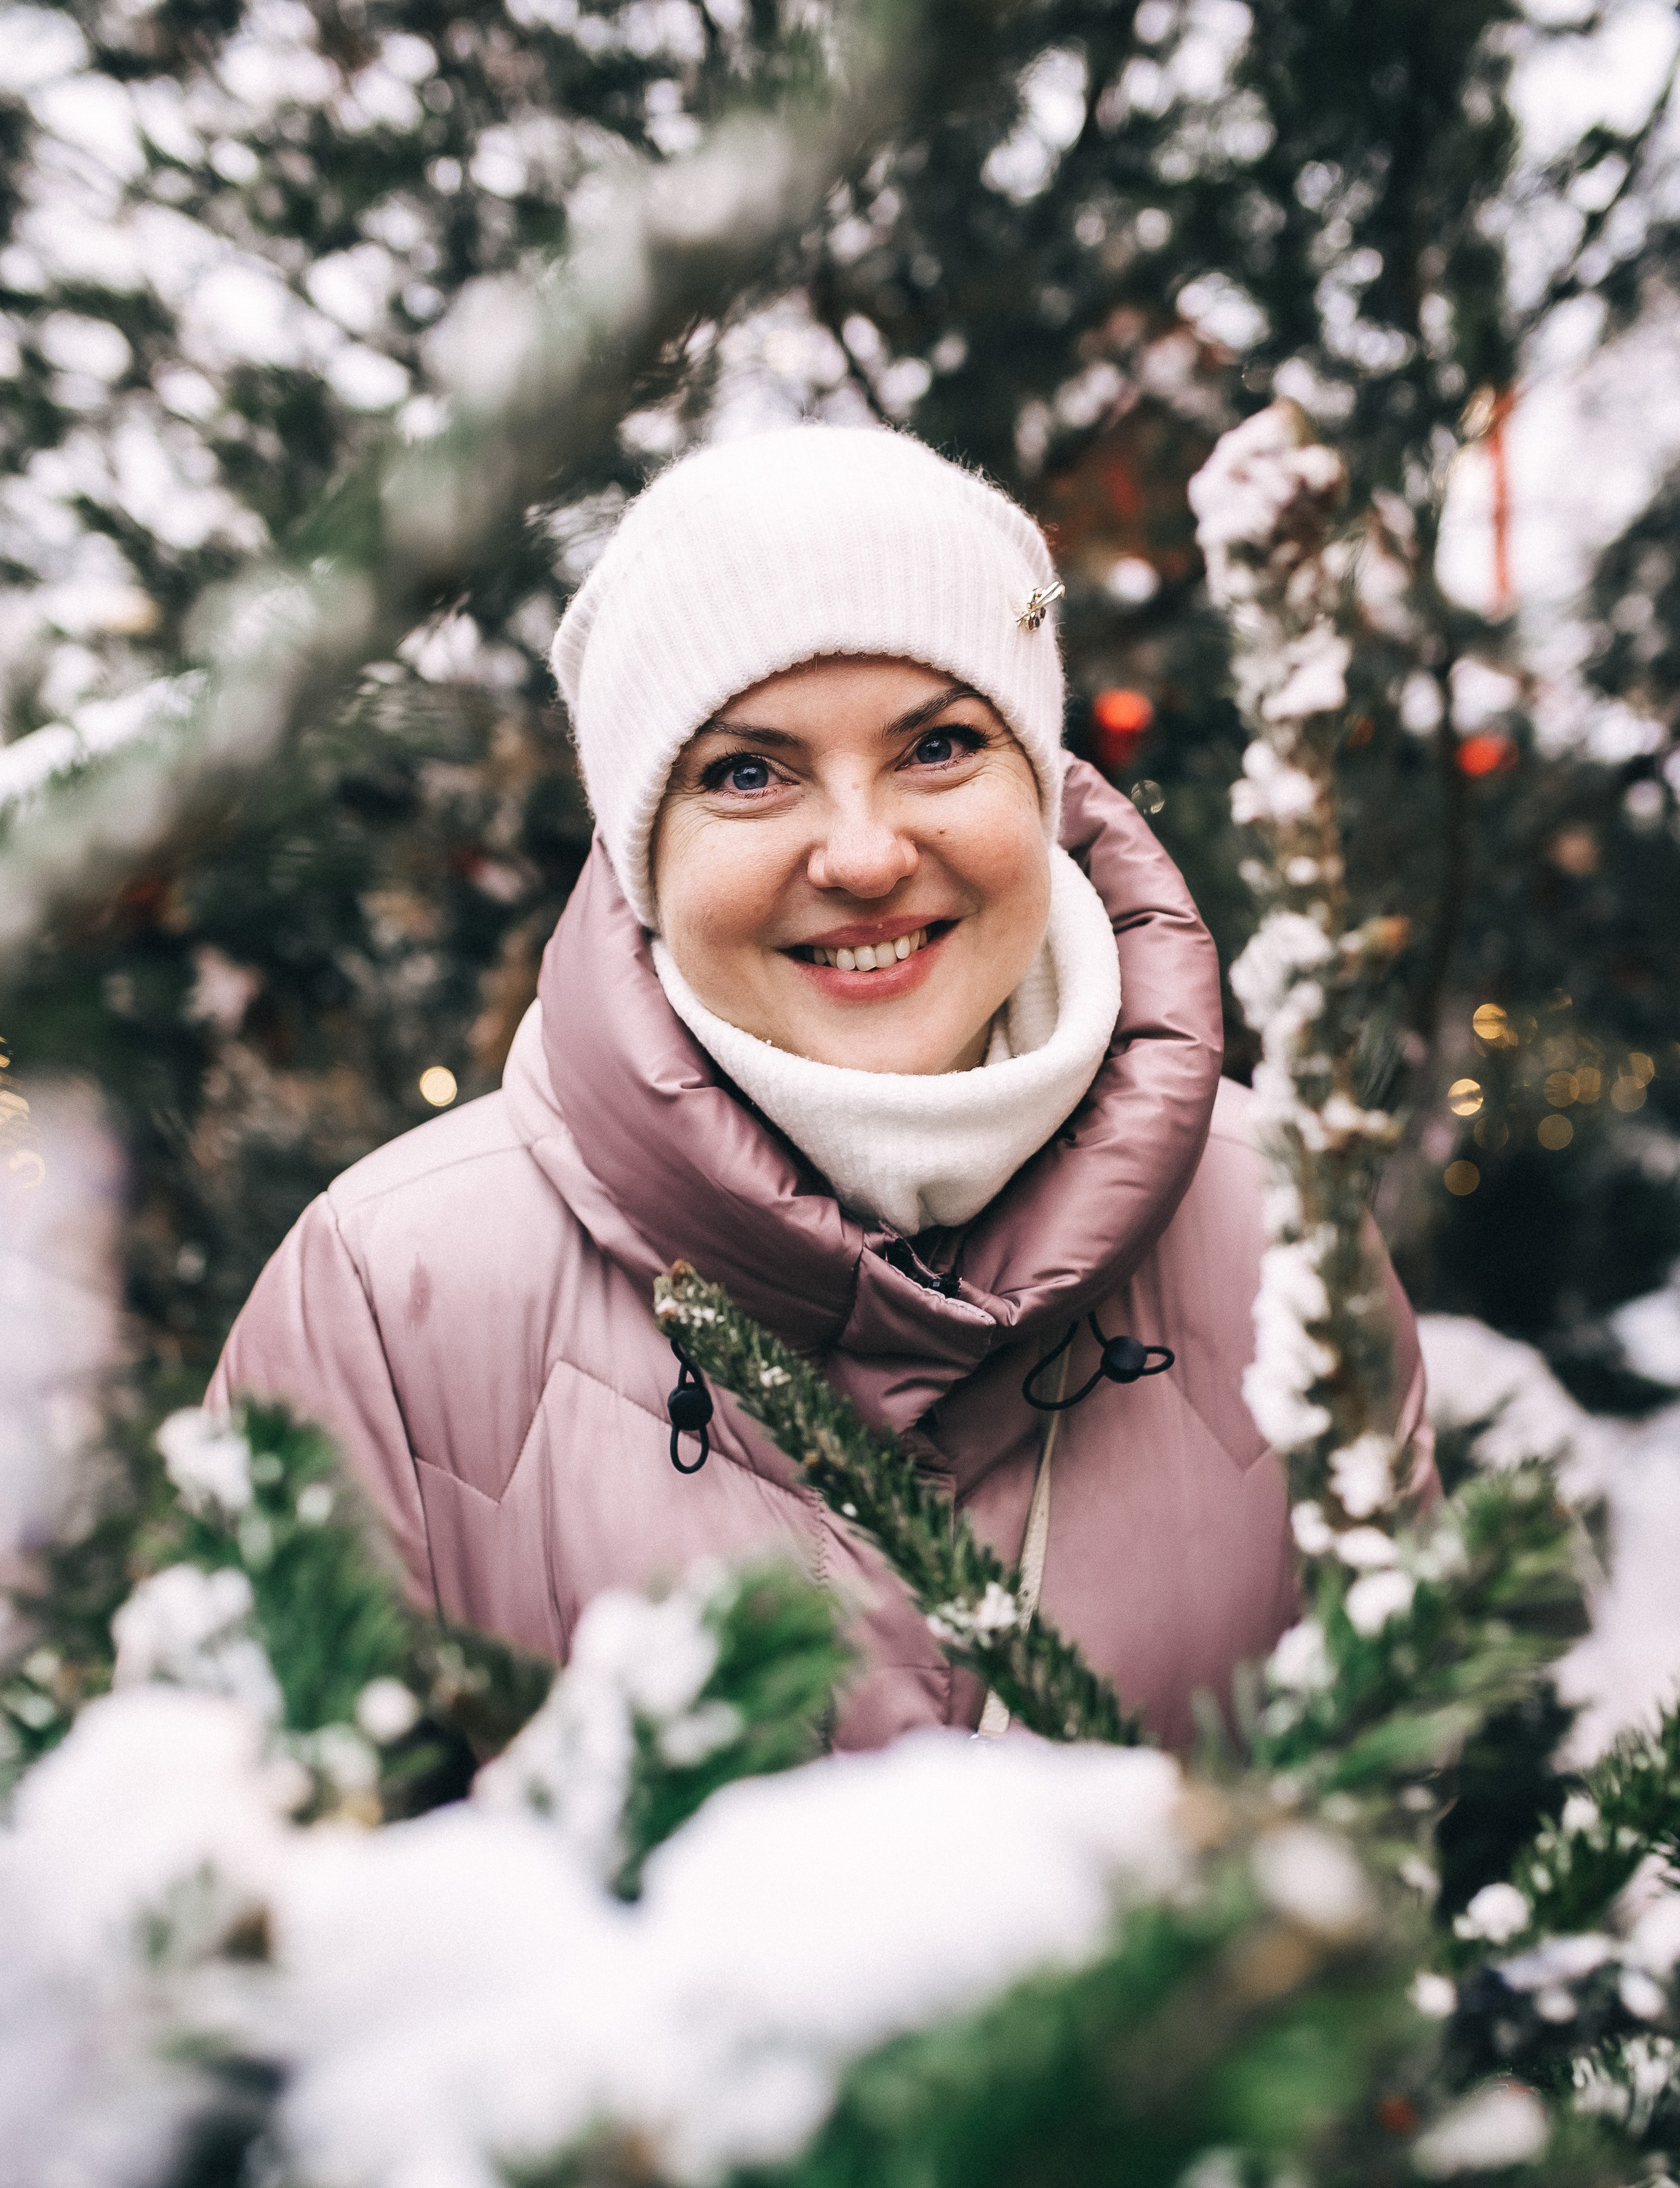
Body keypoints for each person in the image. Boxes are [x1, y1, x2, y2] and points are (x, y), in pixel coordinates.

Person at [210, 424, 1434, 1753]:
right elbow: (263, 1895)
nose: (861, 854)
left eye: (939, 747)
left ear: (1041, 785)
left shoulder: (1279, 1225)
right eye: (749, 772)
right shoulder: (386, 1289)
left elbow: (1381, 1814)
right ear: (641, 851)